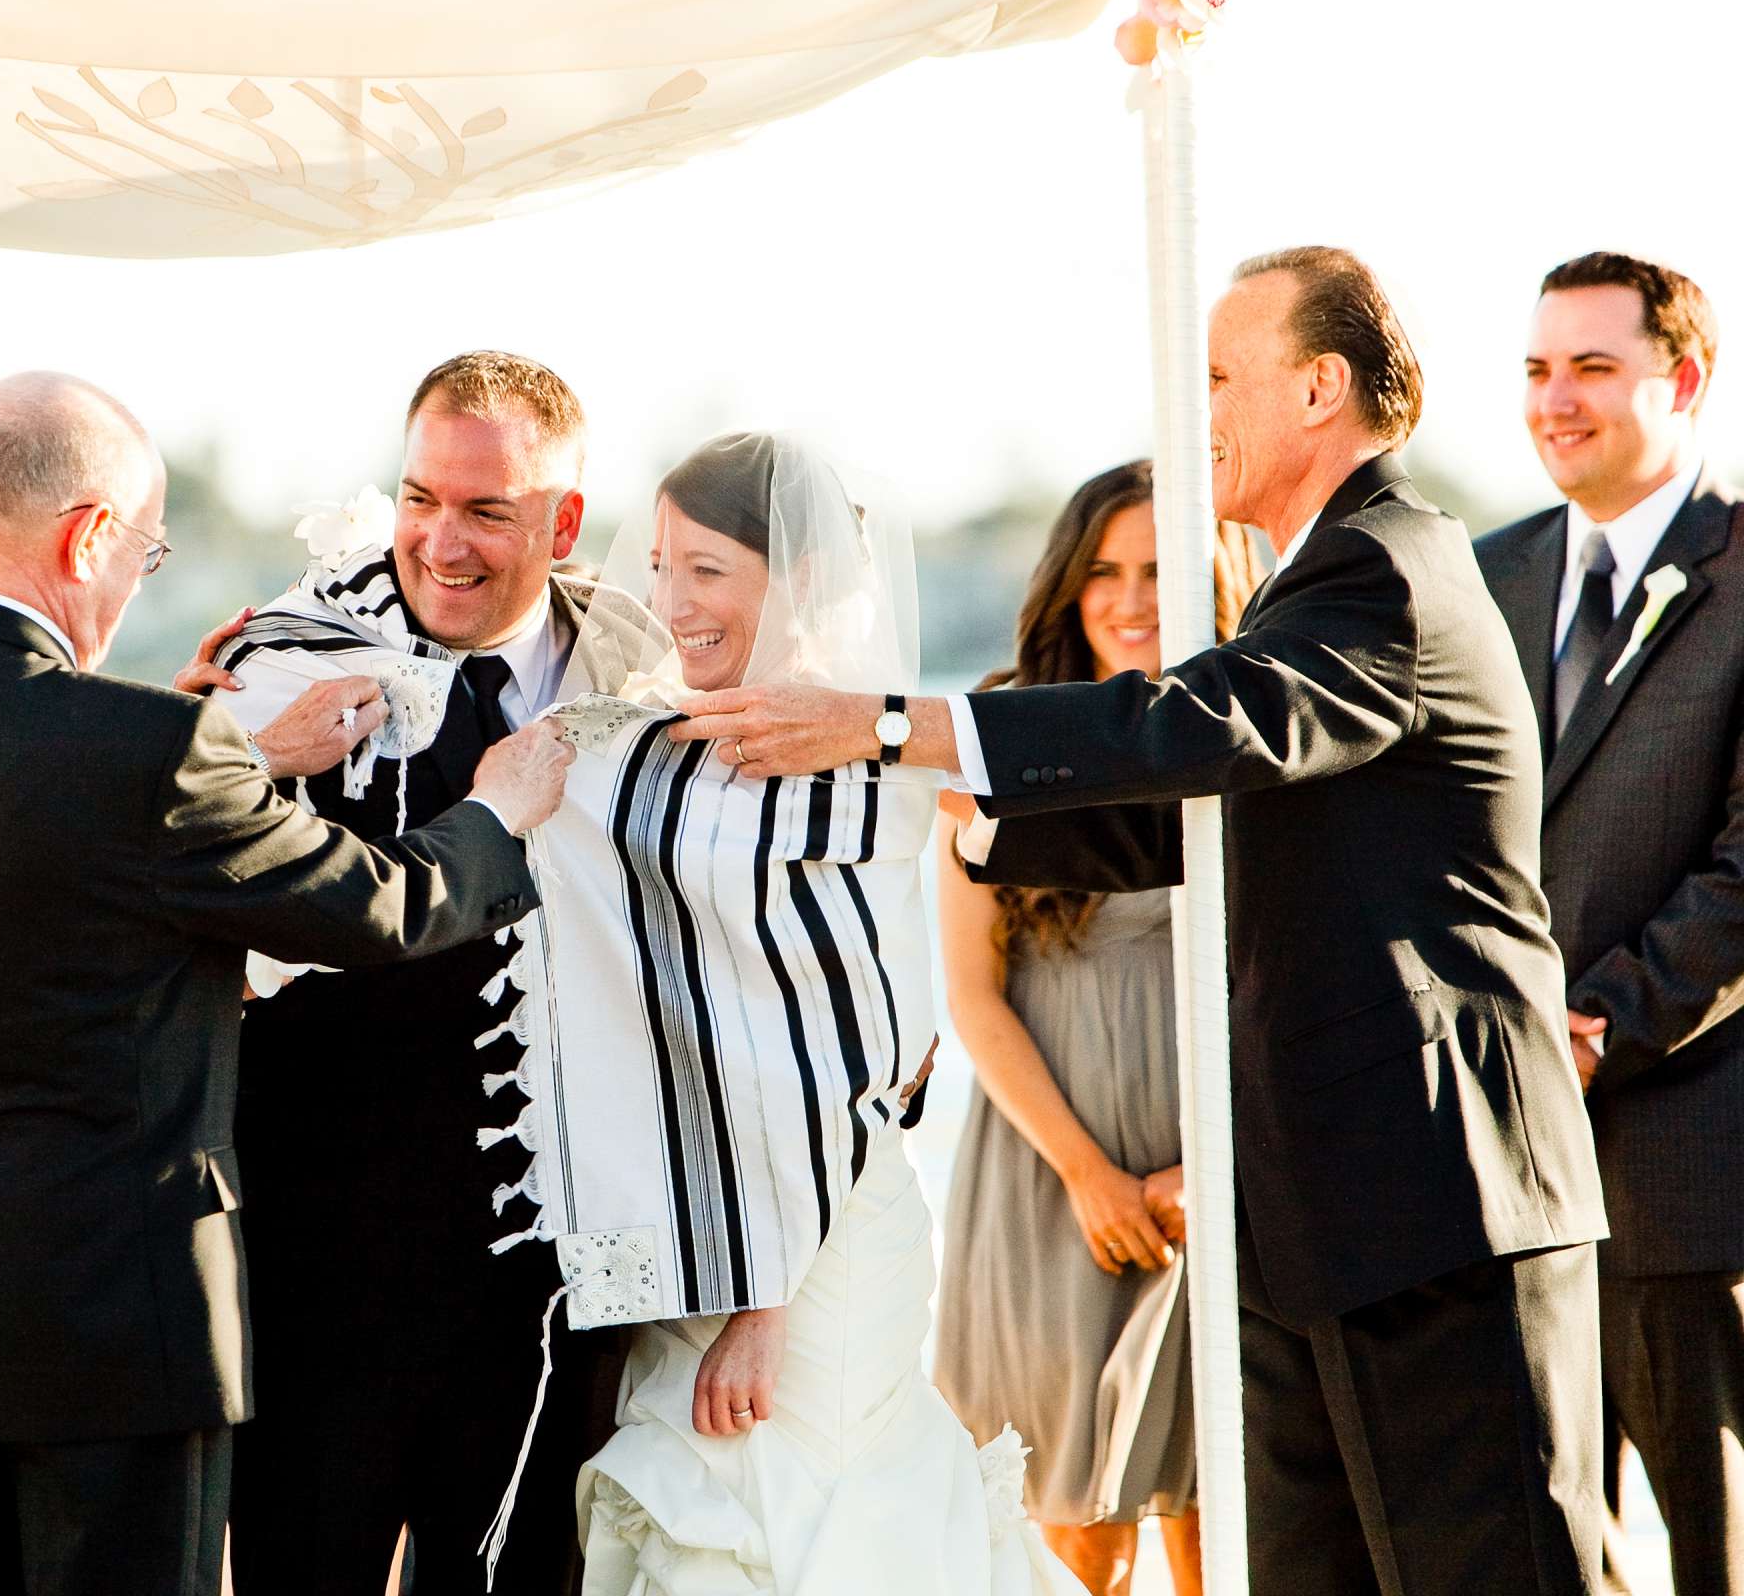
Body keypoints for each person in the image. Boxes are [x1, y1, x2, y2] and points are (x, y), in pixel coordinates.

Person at [671, 249, 1609, 1595]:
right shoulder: (1319, 580)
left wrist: (900, 720)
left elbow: (1205, 721)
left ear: (1320, 387)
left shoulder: (1388, 567)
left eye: (1221, 376)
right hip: (1313, 1223)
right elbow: (1199, 817)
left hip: (1438, 1200)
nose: (1194, 410)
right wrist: (955, 803)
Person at [0, 370, 570, 1596]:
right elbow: (383, 904)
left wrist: (236, 757)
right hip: (118, 1334)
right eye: (143, 552)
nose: (133, 579)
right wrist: (496, 813)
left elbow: (29, 852)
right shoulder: (150, 751)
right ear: (89, 534)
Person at [513, 432, 1083, 1594]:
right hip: (687, 1233)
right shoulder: (647, 742)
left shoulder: (864, 763)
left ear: (804, 580)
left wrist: (766, 1296)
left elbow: (864, 1049)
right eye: (662, 563)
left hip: (813, 1242)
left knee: (806, 1519)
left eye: (707, 569)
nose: (672, 598)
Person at [188, 351, 623, 1596]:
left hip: (540, 1296)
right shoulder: (282, 664)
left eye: (487, 510)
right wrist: (245, 759)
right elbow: (196, 908)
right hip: (318, 1273)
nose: (441, 541)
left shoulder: (635, 671)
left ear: (562, 521)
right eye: (420, 497)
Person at [933, 460, 1255, 1596]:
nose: (1126, 598)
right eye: (1102, 572)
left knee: (1226, 1525)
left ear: (1218, 573)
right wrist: (1089, 1175)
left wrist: (1200, 1171)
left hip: (1225, 1180)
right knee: (1071, 1535)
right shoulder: (1005, 730)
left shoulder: (1257, 734)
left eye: (1160, 571)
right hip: (1048, 1185)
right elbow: (971, 990)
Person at [1475, 252, 1744, 1596]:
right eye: (1535, 367)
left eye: (1592, 366)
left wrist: (1597, 1032)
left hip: (1687, 1156)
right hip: (1490, 1167)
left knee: (1717, 1547)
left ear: (1681, 379)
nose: (1555, 399)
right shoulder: (1487, 574)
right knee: (1535, 1545)